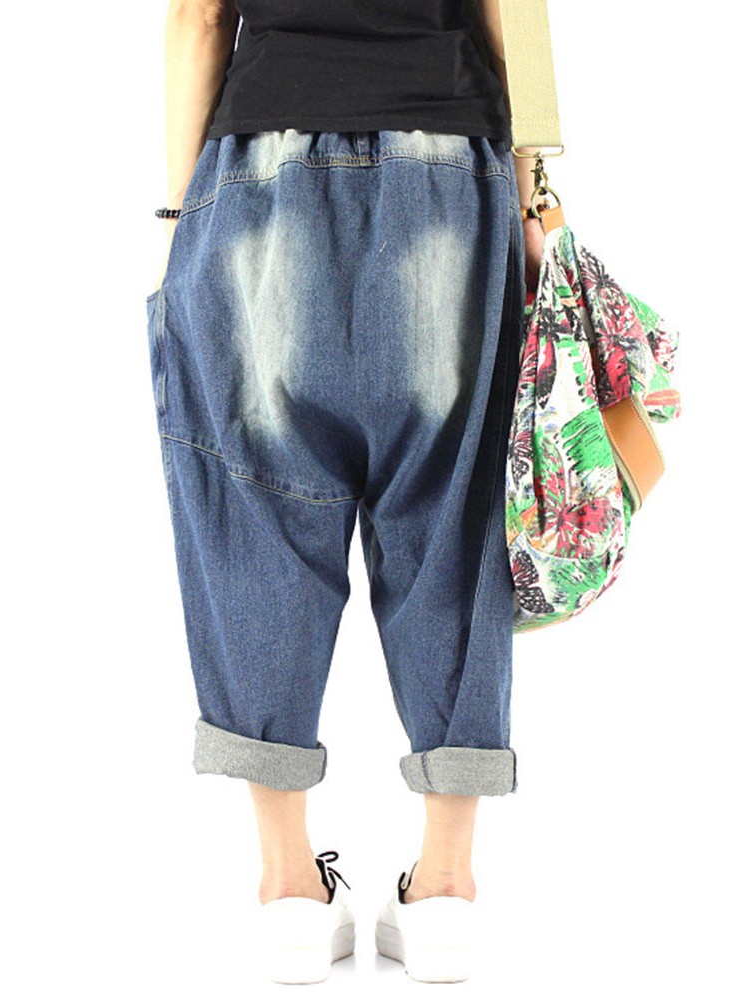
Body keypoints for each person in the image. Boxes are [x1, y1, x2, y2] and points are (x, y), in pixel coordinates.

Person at [145, 0, 545, 984]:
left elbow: (200, 15)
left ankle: (290, 886)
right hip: (447, 167)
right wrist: (537, 198)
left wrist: (178, 215)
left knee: (256, 520)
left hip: (259, 171)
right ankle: (444, 887)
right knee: (452, 520)